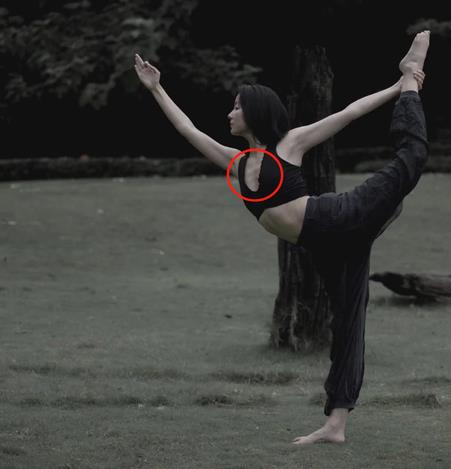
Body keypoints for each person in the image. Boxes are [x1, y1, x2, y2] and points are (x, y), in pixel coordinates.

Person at [134, 30, 430, 445]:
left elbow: (350, 112)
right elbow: (187, 128)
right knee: (348, 326)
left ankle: (412, 77)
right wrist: (156, 87)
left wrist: (399, 86)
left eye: (237, 106)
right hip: (324, 246)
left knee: (410, 160)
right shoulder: (236, 162)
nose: (230, 113)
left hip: (338, 218)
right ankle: (336, 426)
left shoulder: (289, 145)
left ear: (255, 112)